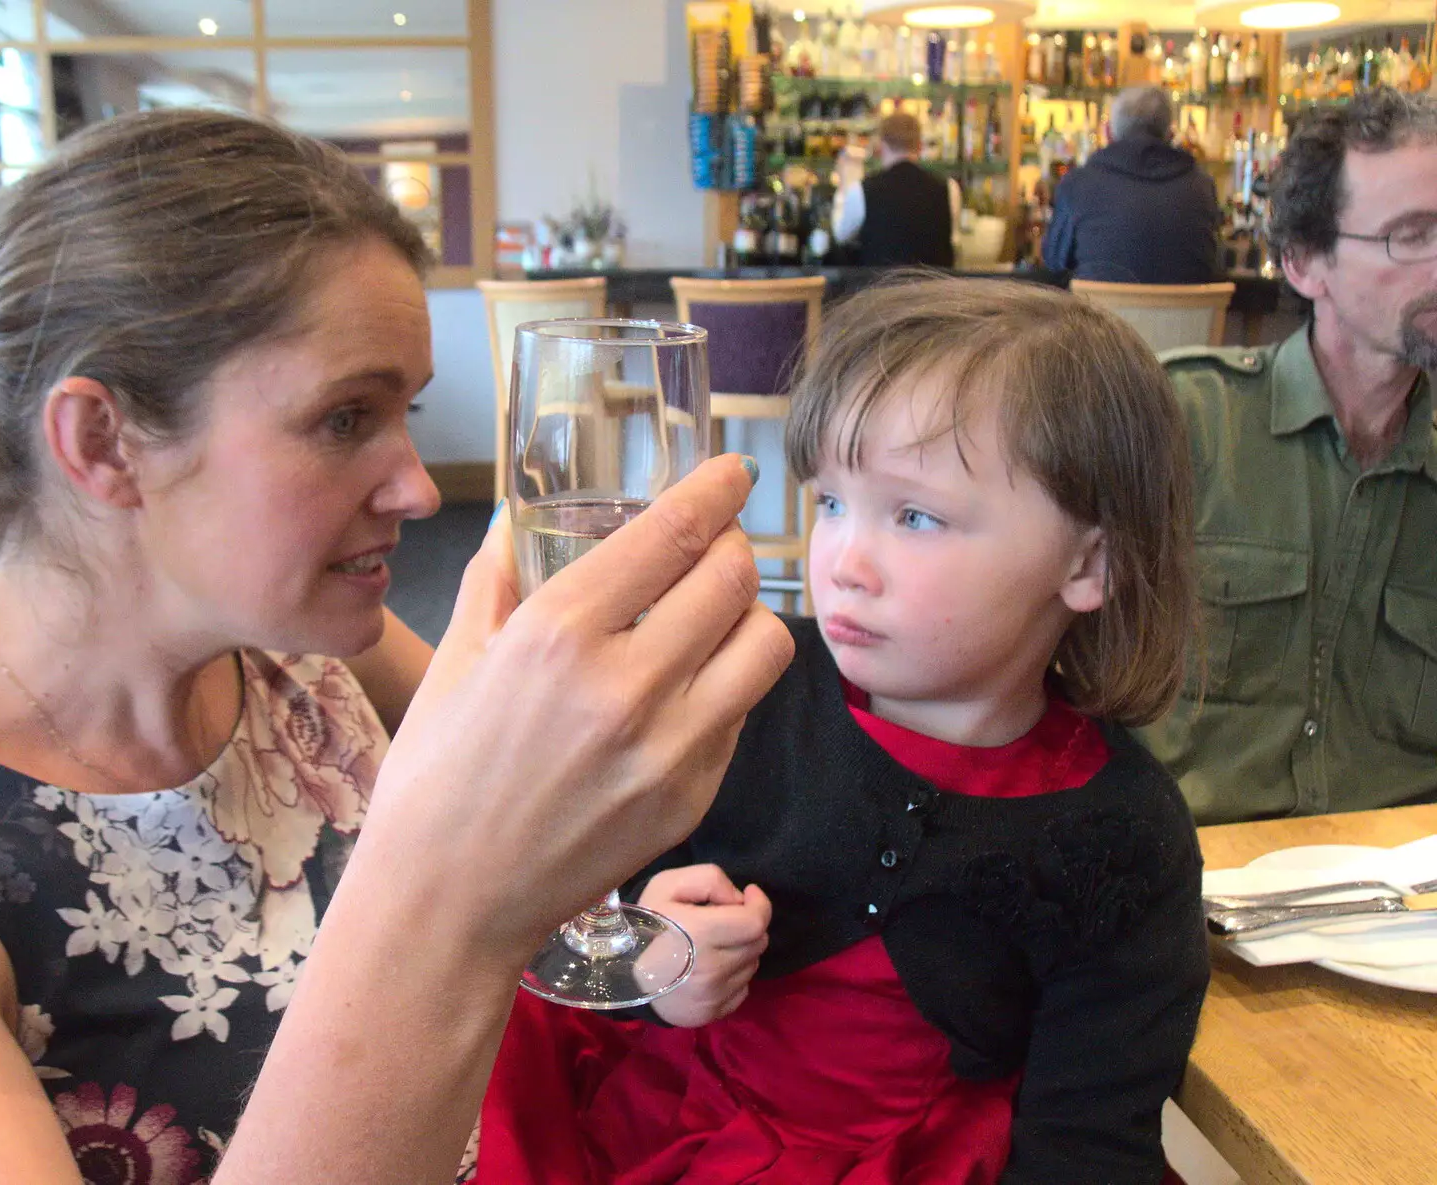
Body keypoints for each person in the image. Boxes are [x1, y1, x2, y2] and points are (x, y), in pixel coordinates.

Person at [0, 107, 794, 1185]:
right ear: (102, 442)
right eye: (345, 419)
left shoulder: (292, 649)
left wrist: (599, 925)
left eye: (409, 416)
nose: (421, 489)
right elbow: (453, 890)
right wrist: (461, 910)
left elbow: (510, 847)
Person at [479, 276, 1210, 1183]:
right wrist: (655, 965)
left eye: (914, 515)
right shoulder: (746, 690)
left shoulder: (1125, 836)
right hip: (674, 1122)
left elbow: (1091, 1134)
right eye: (830, 501)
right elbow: (569, 923)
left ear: (1087, 562)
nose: (845, 562)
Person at [1136, 89, 1437, 825]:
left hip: (1403, 903)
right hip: (1198, 879)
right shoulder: (1189, 423)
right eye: (1412, 234)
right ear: (1304, 263)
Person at [1041, 86, 1221, 284]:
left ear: (1108, 132)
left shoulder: (1077, 185)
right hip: (1187, 315)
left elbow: (1054, 263)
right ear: (1170, 133)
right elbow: (1215, 264)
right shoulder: (1202, 187)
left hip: (1100, 314)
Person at [833, 113, 955, 269]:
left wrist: (844, 185)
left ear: (881, 146)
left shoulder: (863, 190)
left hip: (881, 290)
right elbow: (952, 241)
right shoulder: (948, 188)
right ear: (919, 145)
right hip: (934, 290)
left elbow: (841, 235)